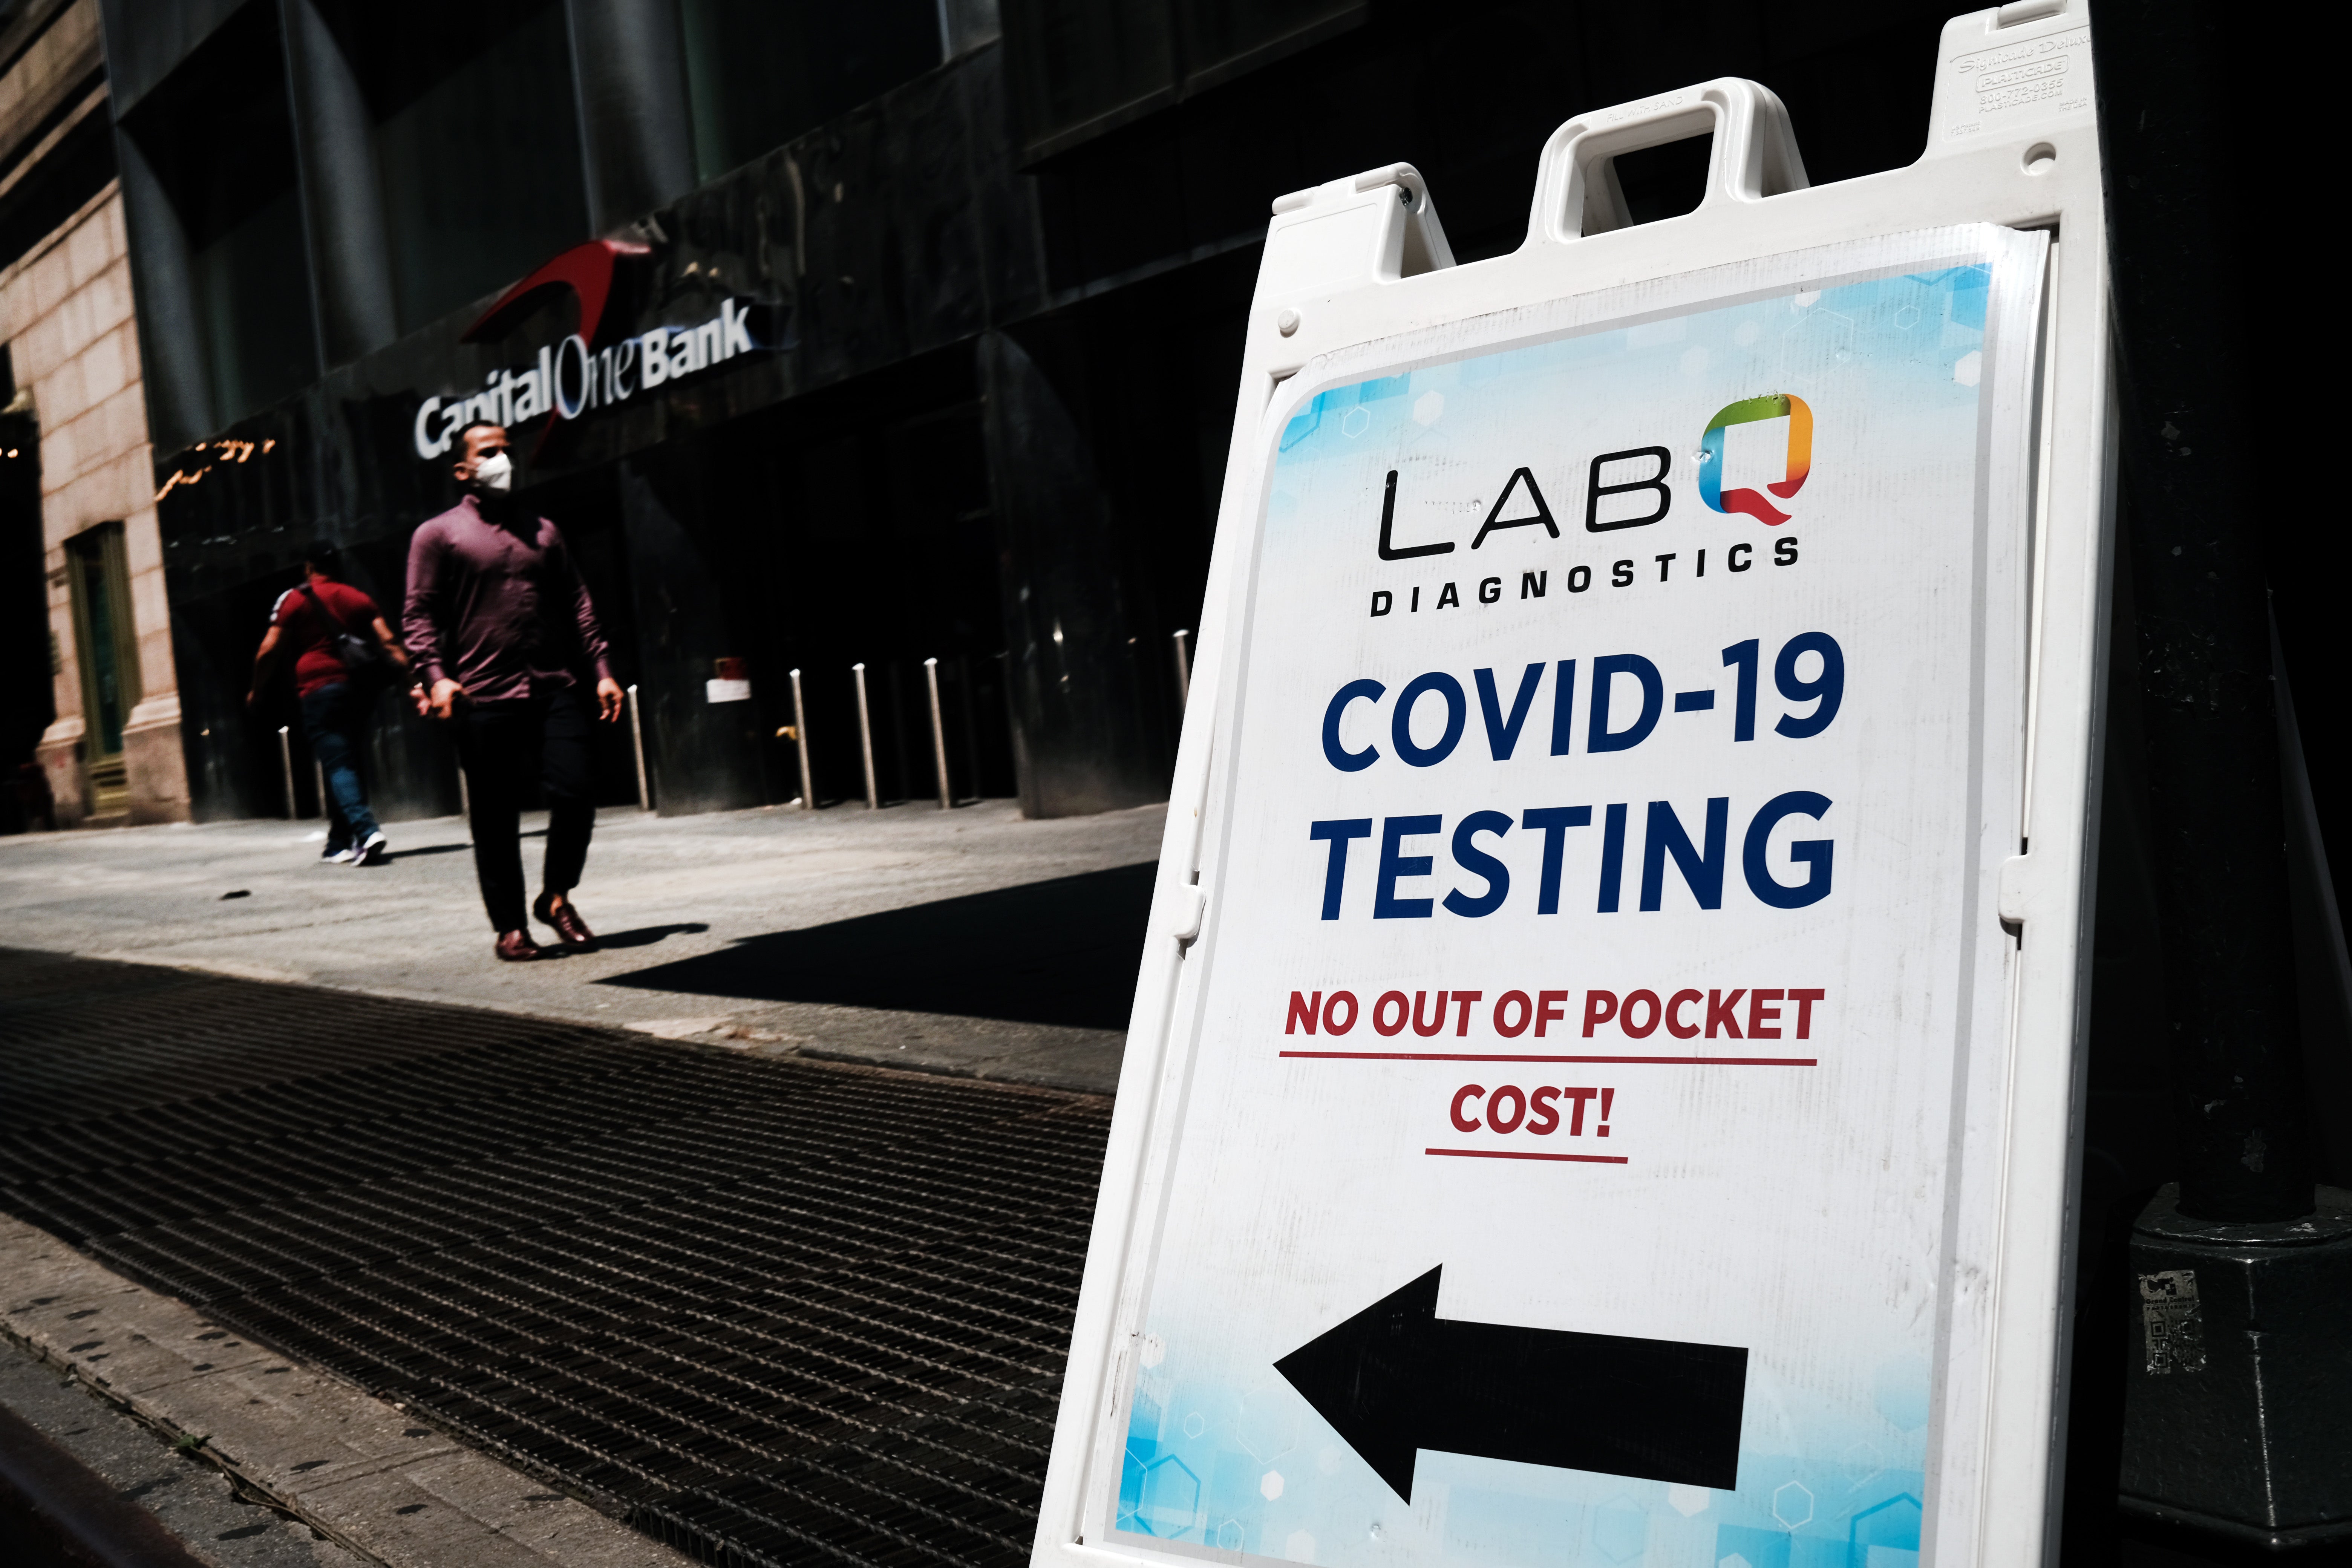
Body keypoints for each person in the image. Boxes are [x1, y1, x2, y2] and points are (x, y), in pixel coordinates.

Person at [404, 422, 624, 962]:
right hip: (481, 697)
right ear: (463, 470)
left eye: (507, 450)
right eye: (488, 453)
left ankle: (555, 897)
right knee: (495, 816)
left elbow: (578, 603)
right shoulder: (438, 534)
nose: (502, 459)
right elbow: (419, 614)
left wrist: (602, 670)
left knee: (576, 791)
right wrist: (437, 677)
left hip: (553, 687)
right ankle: (509, 926)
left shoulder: (544, 531)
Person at [247, 542, 412, 865]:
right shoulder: (359, 597)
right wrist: (413, 683)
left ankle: (366, 832)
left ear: (309, 567)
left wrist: (257, 690)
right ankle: (338, 843)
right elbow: (390, 641)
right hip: (357, 689)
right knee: (348, 762)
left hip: (319, 689)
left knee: (338, 764)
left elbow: (268, 650)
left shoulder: (294, 598)